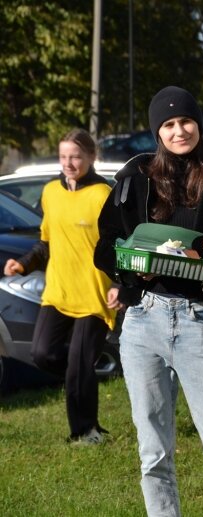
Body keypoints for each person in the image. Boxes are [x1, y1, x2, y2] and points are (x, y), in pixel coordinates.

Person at [94, 86, 203, 516]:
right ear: (157, 131)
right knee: (153, 453)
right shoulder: (135, 176)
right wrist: (132, 269)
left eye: (185, 121)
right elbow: (106, 246)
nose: (178, 131)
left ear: (198, 124)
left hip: (201, 321)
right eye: (167, 125)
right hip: (143, 321)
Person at [3, 128, 115, 445]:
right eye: (64, 156)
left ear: (91, 158)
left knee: (80, 363)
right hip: (58, 292)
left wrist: (119, 284)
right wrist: (23, 264)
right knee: (42, 354)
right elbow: (46, 245)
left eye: (76, 156)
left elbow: (118, 246)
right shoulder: (51, 192)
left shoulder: (102, 195)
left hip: (94, 293)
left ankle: (85, 432)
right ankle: (82, 376)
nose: (68, 163)